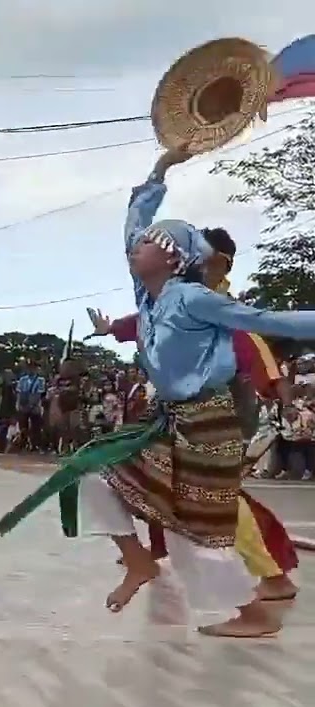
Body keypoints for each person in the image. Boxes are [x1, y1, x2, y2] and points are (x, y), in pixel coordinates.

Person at [0, 146, 315, 638]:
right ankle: (138, 562)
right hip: (169, 418)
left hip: (210, 422)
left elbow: (264, 322)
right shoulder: (149, 294)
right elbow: (132, 225)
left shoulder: (195, 298)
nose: (134, 247)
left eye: (147, 244)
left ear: (172, 258)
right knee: (92, 474)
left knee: (201, 523)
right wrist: (160, 171)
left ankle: (255, 609)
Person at [87, 227, 301, 607]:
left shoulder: (215, 309)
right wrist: (110, 329)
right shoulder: (174, 301)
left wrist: (282, 397)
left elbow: (262, 355)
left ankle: (269, 576)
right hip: (183, 418)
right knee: (158, 489)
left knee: (214, 503)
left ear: (216, 263)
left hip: (220, 418)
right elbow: (141, 320)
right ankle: (153, 556)